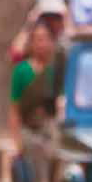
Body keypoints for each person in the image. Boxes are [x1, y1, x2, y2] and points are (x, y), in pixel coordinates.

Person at [8, 20, 56, 151]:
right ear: (31, 43)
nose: (42, 44)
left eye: (46, 39)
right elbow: (14, 109)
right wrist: (16, 142)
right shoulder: (21, 71)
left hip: (52, 132)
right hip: (29, 132)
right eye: (38, 39)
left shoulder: (56, 71)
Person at [7, 0, 69, 64]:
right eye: (46, 17)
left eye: (56, 17)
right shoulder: (37, 38)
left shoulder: (68, 39)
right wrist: (29, 25)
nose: (51, 21)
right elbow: (15, 56)